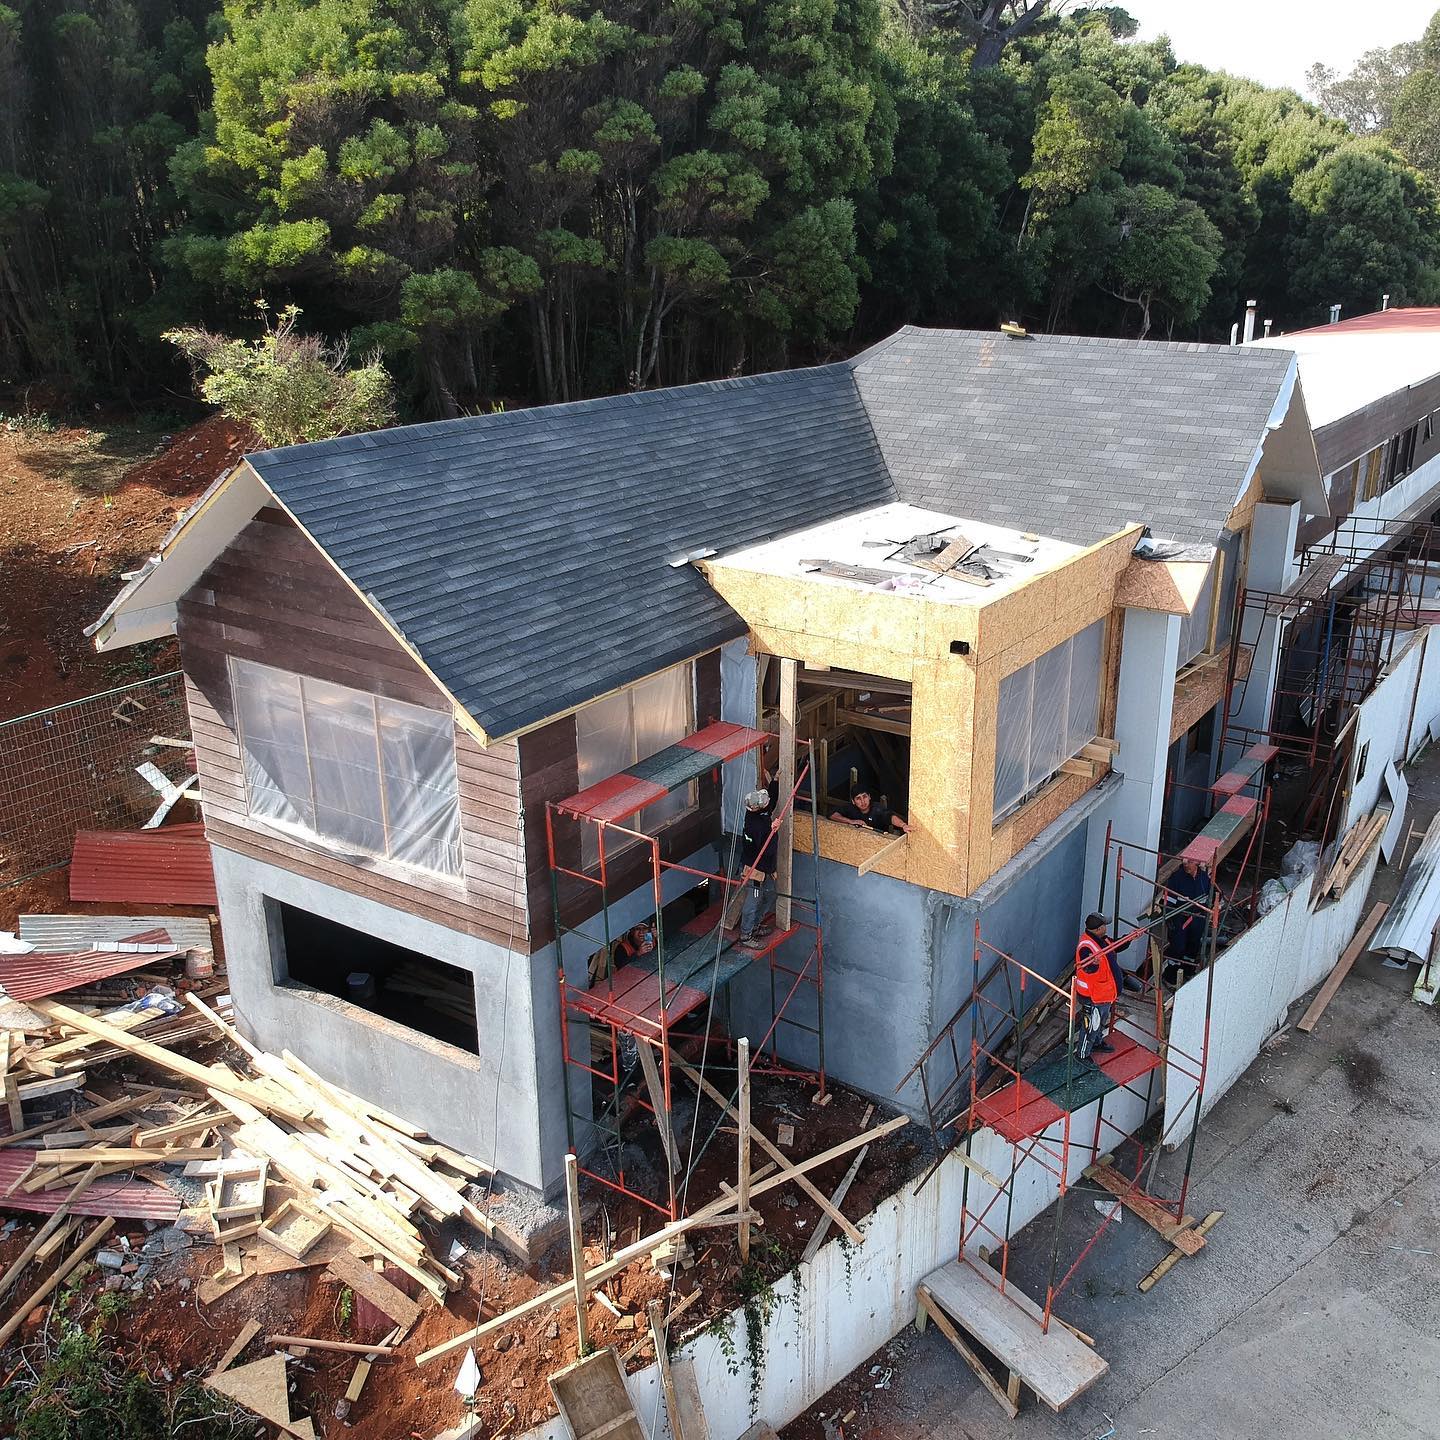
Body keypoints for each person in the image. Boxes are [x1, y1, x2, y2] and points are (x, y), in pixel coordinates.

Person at [737, 773, 781, 946]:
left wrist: (775, 781)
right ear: (755, 808)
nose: (767, 803)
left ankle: (755, 925)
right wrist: (773, 831)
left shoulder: (761, 811)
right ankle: (746, 934)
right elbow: (766, 850)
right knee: (753, 900)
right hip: (755, 869)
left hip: (766, 868)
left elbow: (772, 800)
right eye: (764, 802)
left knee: (770, 894)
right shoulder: (755, 826)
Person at [1073, 913, 1119, 1060]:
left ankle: (1097, 1042)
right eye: (1105, 925)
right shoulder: (1086, 947)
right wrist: (1094, 964)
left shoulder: (1101, 940)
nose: (1106, 927)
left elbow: (1116, 945)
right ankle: (1082, 1055)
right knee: (1090, 1026)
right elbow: (1086, 967)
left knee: (1100, 1022)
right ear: (1099, 928)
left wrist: (1130, 938)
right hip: (1092, 996)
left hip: (1103, 994)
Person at [1165, 857, 1212, 979]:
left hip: (1197, 919)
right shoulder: (1177, 878)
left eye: (1189, 862)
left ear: (1197, 862)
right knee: (1177, 946)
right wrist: (1169, 918)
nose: (1186, 864)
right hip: (1180, 918)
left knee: (1193, 945)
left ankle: (1188, 971)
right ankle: (1171, 974)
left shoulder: (1204, 878)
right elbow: (1168, 900)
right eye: (1184, 861)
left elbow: (1211, 896)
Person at [831, 789, 909, 835]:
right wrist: (851, 821)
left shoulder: (877, 809)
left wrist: (903, 825)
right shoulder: (850, 808)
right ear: (853, 801)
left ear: (869, 797)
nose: (863, 801)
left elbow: (890, 817)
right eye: (858, 798)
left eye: (864, 796)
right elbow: (832, 814)